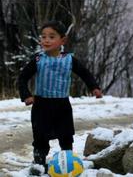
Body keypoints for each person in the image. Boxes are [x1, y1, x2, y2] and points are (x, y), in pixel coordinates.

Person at [18, 20, 103, 174]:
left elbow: (85, 73)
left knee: (66, 136)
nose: (46, 40)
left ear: (62, 40)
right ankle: (39, 163)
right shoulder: (38, 60)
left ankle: (68, 163)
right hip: (41, 106)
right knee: (40, 137)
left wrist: (94, 87)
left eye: (51, 36)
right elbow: (22, 78)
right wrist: (26, 96)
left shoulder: (69, 60)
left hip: (62, 106)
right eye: (43, 37)